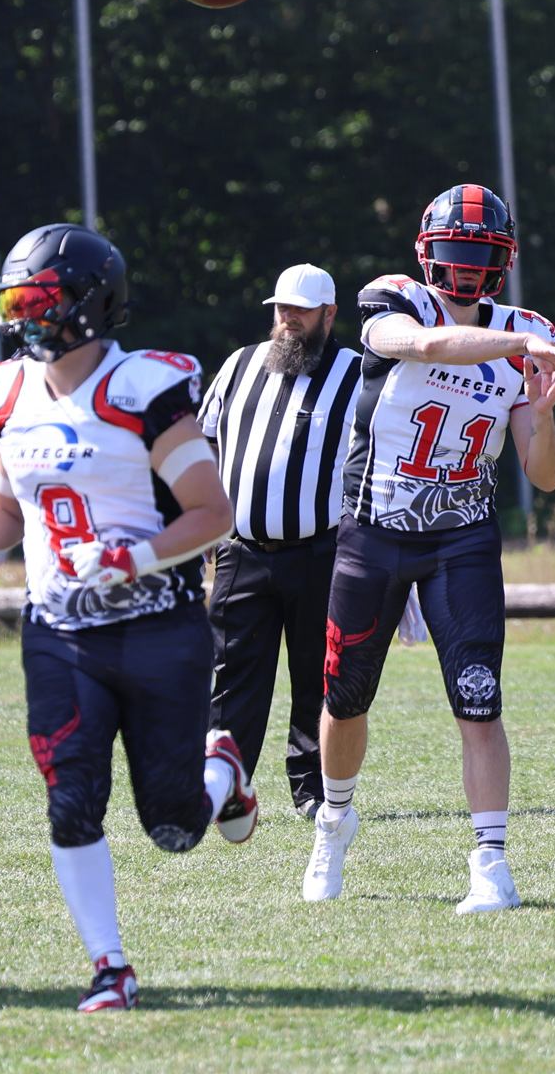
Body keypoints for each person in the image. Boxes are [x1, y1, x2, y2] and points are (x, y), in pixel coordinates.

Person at [0, 223, 247, 1013]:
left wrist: (132, 558)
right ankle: (110, 967)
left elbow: (213, 514)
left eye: (41, 300)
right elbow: (9, 509)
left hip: (157, 626)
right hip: (59, 631)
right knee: (70, 798)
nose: (26, 317)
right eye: (16, 302)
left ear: (91, 304)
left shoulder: (142, 390)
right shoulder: (5, 394)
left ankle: (222, 770)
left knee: (173, 826)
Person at [306, 184, 555, 914]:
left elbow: (545, 475)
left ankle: (491, 864)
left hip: (462, 536)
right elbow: (423, 347)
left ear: (503, 262)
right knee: (345, 696)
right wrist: (521, 347)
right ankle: (334, 820)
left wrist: (543, 413)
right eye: (454, 250)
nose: (465, 266)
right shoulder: (399, 300)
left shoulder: (525, 330)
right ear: (426, 253)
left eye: (480, 255)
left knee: (479, 701)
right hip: (375, 527)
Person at [199, 264, 362, 822]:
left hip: (322, 554)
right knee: (232, 675)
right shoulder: (239, 365)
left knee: (317, 677)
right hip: (240, 551)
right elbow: (205, 442)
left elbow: (374, 462)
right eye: (281, 308)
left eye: (300, 310)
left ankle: (312, 789)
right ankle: (224, 784)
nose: (287, 319)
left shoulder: (356, 374)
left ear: (329, 314)